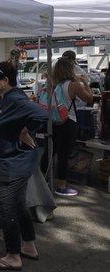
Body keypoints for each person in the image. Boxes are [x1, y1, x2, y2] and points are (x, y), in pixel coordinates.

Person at [0, 61, 47, 270]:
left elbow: (41, 114)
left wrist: (24, 131)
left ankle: (13, 255)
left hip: (16, 163)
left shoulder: (15, 99)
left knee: (6, 206)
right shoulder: (7, 98)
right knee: (18, 204)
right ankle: (28, 245)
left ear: (5, 80)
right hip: (14, 161)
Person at [50, 57, 93, 196]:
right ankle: (61, 185)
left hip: (55, 120)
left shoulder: (54, 84)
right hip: (69, 121)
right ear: (70, 69)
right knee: (64, 153)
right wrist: (85, 82)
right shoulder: (74, 85)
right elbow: (89, 99)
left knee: (52, 150)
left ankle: (44, 180)